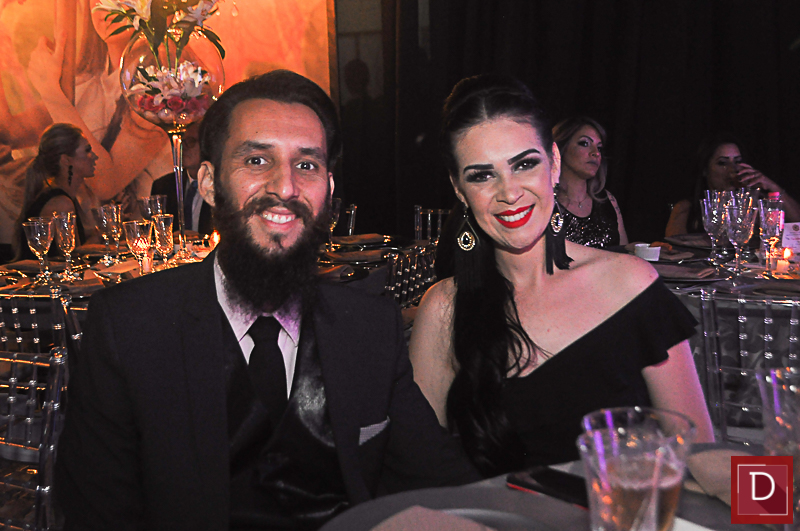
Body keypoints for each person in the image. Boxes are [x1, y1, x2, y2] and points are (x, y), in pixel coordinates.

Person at [54, 70, 478, 529]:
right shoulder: (130, 328)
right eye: (257, 161)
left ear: (330, 190)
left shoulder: (369, 327)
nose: (285, 187)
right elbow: (97, 514)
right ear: (209, 183)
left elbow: (442, 482)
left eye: (307, 165)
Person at [408, 74, 714, 477]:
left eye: (524, 164)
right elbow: (419, 472)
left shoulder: (629, 284)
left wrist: (775, 499)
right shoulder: (444, 308)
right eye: (482, 175)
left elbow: (702, 458)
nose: (509, 192)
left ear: (553, 163)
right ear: (459, 189)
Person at [665, 133, 800, 236]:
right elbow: (674, 251)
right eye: (723, 163)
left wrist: (772, 186)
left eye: (738, 161)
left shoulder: (753, 205)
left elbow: (796, 225)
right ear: (705, 169)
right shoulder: (687, 208)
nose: (733, 169)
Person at [11, 123, 99, 260]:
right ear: (66, 160)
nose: (94, 156)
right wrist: (101, 234)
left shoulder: (59, 196)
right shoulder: (60, 204)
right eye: (87, 150)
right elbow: (72, 259)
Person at [552, 116, 627, 248]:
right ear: (560, 148)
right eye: (585, 143)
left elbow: (624, 252)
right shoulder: (546, 202)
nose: (596, 153)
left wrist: (643, 249)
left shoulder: (607, 200)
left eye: (599, 148)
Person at [150, 123, 214, 236]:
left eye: (190, 141)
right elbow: (156, 235)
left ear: (207, 145)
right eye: (181, 142)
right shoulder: (163, 186)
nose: (183, 147)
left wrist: (198, 238)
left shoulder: (221, 186)